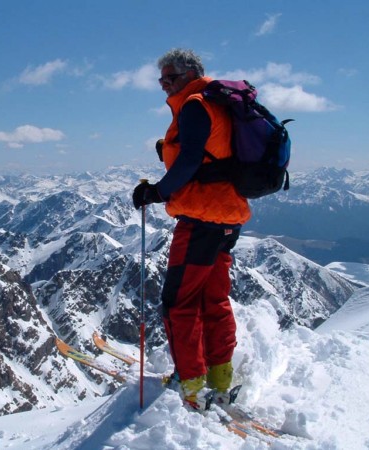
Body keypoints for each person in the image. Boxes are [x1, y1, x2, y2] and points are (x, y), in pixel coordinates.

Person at [132, 49, 251, 410]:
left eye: (170, 77)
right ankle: (220, 378)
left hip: (201, 219)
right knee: (212, 299)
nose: (164, 84)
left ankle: (191, 383)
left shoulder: (195, 105)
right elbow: (210, 155)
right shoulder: (218, 103)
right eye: (161, 79)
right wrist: (166, 150)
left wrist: (157, 191)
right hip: (228, 216)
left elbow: (188, 163)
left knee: (178, 303)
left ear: (190, 75)